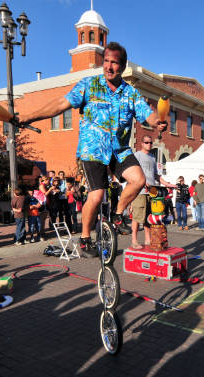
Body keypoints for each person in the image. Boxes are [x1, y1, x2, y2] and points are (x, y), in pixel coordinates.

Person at [20, 41, 167, 257]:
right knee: (97, 195)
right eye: (106, 61)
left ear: (122, 66)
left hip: (119, 150)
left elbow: (149, 115)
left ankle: (117, 215)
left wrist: (157, 122)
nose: (108, 66)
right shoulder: (89, 85)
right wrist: (28, 117)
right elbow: (60, 104)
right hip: (93, 150)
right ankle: (85, 238)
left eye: (114, 63)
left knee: (139, 180)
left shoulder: (131, 94)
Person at [131, 136, 175, 249]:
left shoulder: (152, 157)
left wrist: (167, 184)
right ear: (142, 143)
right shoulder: (137, 155)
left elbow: (156, 175)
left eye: (150, 143)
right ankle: (134, 240)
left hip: (152, 192)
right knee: (137, 216)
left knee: (148, 217)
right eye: (146, 142)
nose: (149, 144)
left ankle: (147, 239)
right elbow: (133, 172)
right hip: (140, 191)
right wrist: (141, 182)